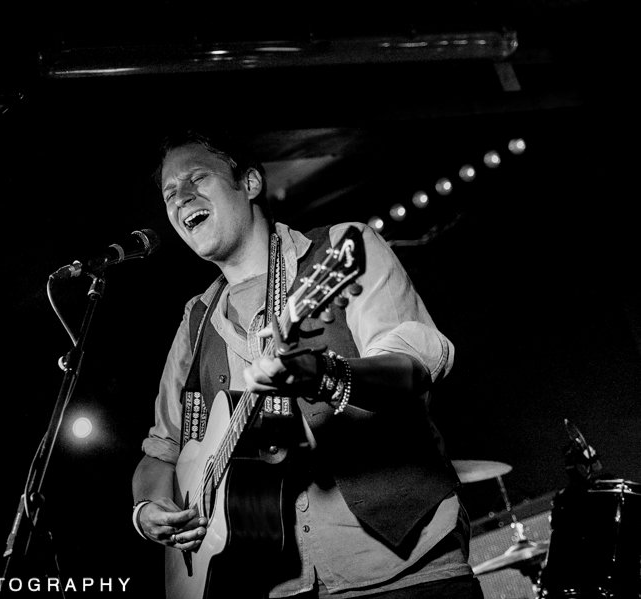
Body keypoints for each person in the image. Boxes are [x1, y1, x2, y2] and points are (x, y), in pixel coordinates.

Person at [131, 130, 482, 598]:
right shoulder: (195, 319)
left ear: (250, 182)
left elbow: (411, 368)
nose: (182, 198)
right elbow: (160, 454)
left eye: (198, 178)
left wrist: (329, 375)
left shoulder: (339, 250)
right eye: (171, 193)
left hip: (402, 567)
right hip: (275, 584)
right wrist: (148, 510)